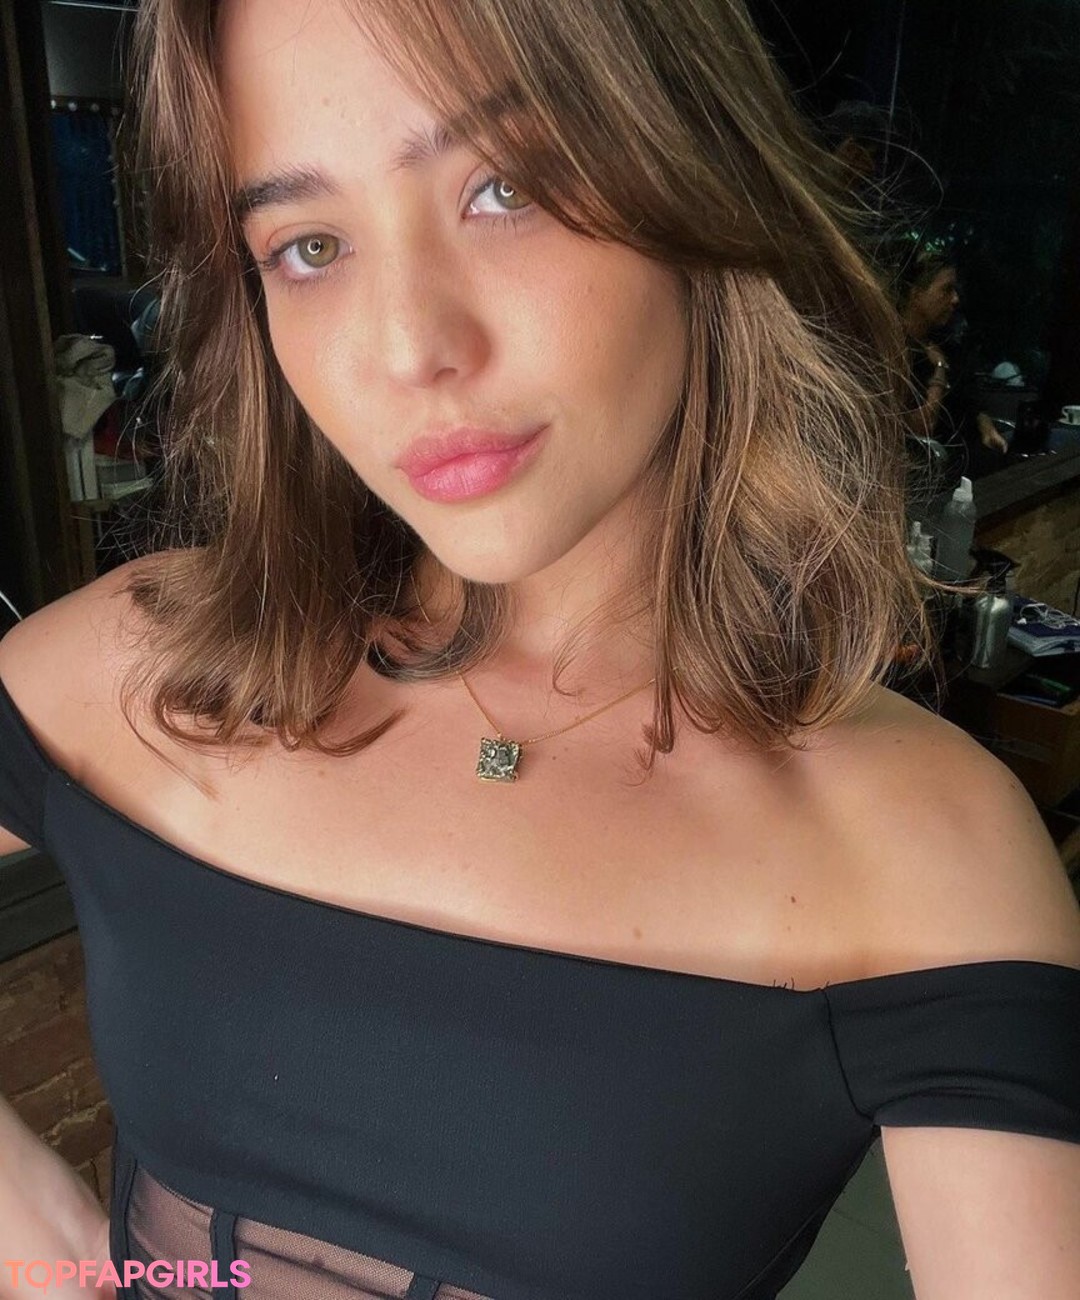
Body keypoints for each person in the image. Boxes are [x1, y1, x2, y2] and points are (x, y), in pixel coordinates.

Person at [1, 2, 1078, 1298]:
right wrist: (34, 1231)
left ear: (694, 171)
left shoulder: (916, 852)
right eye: (310, 245)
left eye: (507, 189)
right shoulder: (144, 667)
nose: (410, 349)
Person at [897, 245, 1010, 483]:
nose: (955, 299)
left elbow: (969, 393)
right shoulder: (897, 350)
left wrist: (985, 425)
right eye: (946, 290)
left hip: (966, 451)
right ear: (916, 294)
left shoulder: (944, 339)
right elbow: (921, 428)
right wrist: (939, 371)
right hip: (933, 467)